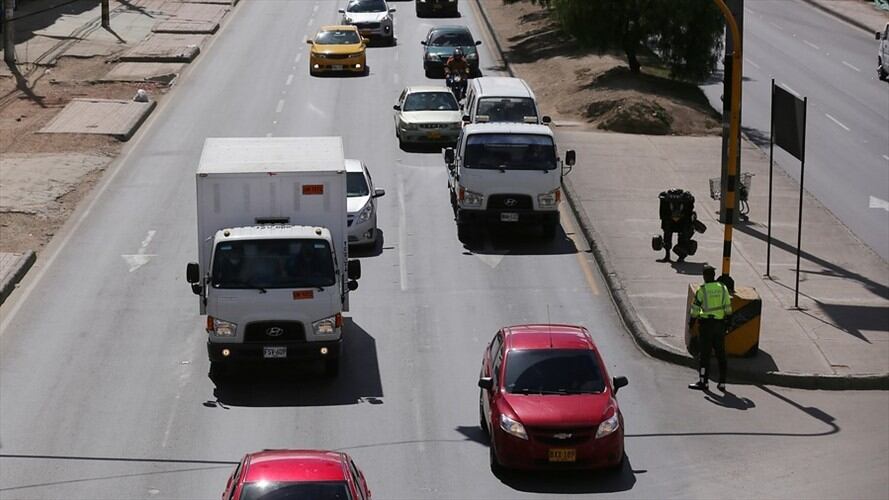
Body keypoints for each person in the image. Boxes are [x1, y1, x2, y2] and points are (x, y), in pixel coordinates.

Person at [688, 264, 733, 391]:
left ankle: (704, 382)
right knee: (721, 354)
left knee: (705, 355)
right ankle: (722, 382)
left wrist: (691, 324)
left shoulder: (702, 290)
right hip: (719, 326)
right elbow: (728, 307)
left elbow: (695, 309)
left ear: (704, 276)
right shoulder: (723, 288)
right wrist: (728, 323)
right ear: (713, 276)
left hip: (706, 326)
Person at [657, 188, 697, 262]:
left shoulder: (687, 201)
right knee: (667, 236)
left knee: (682, 238)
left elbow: (689, 212)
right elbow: (663, 213)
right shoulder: (666, 202)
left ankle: (681, 256)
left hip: (683, 221)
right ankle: (667, 255)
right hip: (670, 220)